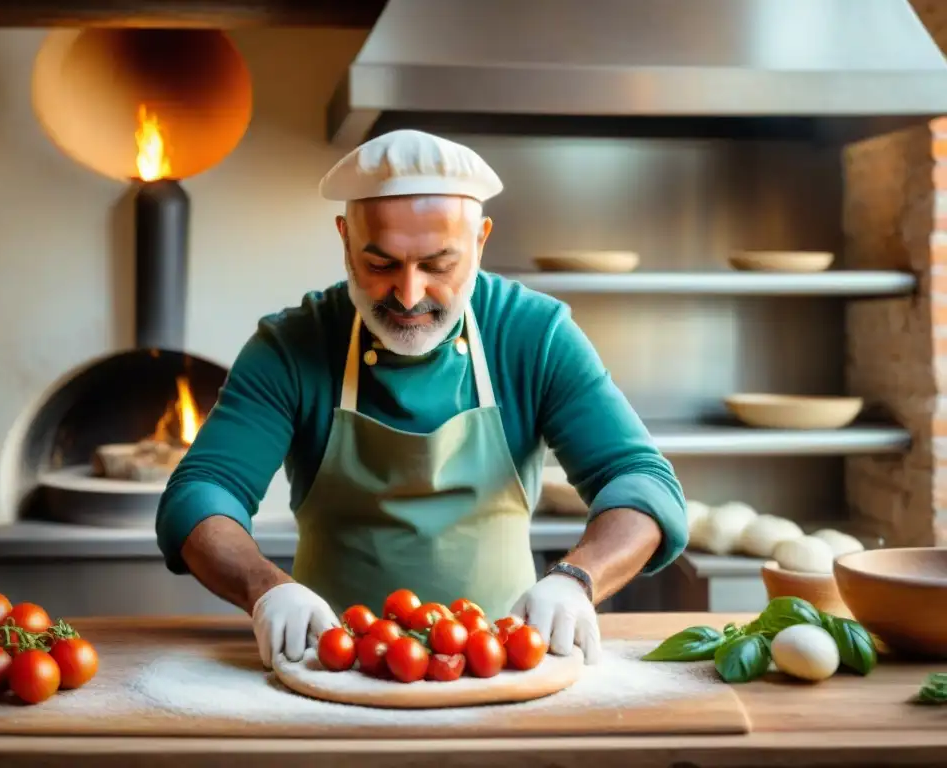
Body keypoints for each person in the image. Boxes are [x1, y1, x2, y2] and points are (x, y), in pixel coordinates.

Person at [155, 129, 688, 670]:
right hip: (332, 662)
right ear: (344, 240)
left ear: (480, 242)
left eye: (438, 265)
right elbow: (203, 491)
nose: (408, 296)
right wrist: (265, 588)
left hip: (501, 659)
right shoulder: (293, 346)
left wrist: (577, 579)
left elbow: (643, 481)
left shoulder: (534, 334)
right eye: (380, 264)